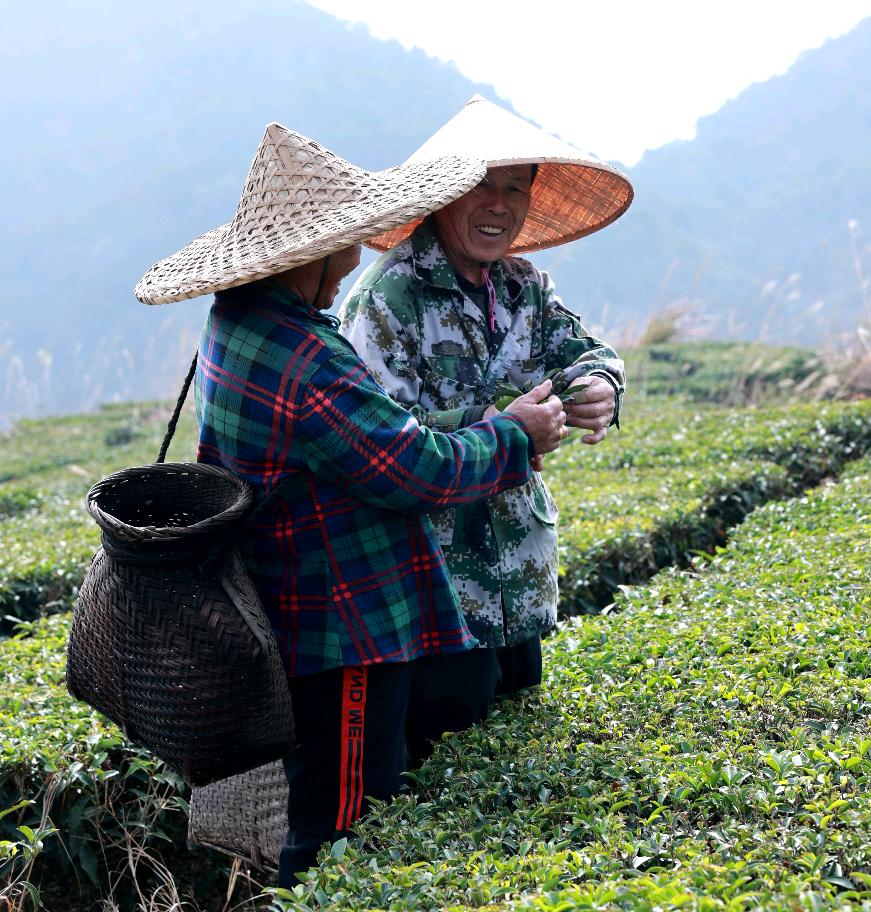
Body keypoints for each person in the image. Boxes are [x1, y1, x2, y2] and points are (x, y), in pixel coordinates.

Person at [134, 123, 567, 886]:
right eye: (347, 241)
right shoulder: (303, 357)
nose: (356, 258)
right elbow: (412, 466)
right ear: (310, 251)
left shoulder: (240, 320)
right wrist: (515, 436)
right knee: (340, 826)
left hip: (298, 603)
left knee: (347, 807)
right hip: (341, 627)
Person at [340, 96, 635, 762]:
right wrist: (498, 426)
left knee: (513, 766)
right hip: (436, 593)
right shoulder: (391, 297)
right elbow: (374, 442)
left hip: (520, 584)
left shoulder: (526, 286)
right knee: (443, 769)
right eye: (481, 186)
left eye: (514, 188)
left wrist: (598, 389)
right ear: (443, 195)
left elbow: (589, 352)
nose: (499, 204)